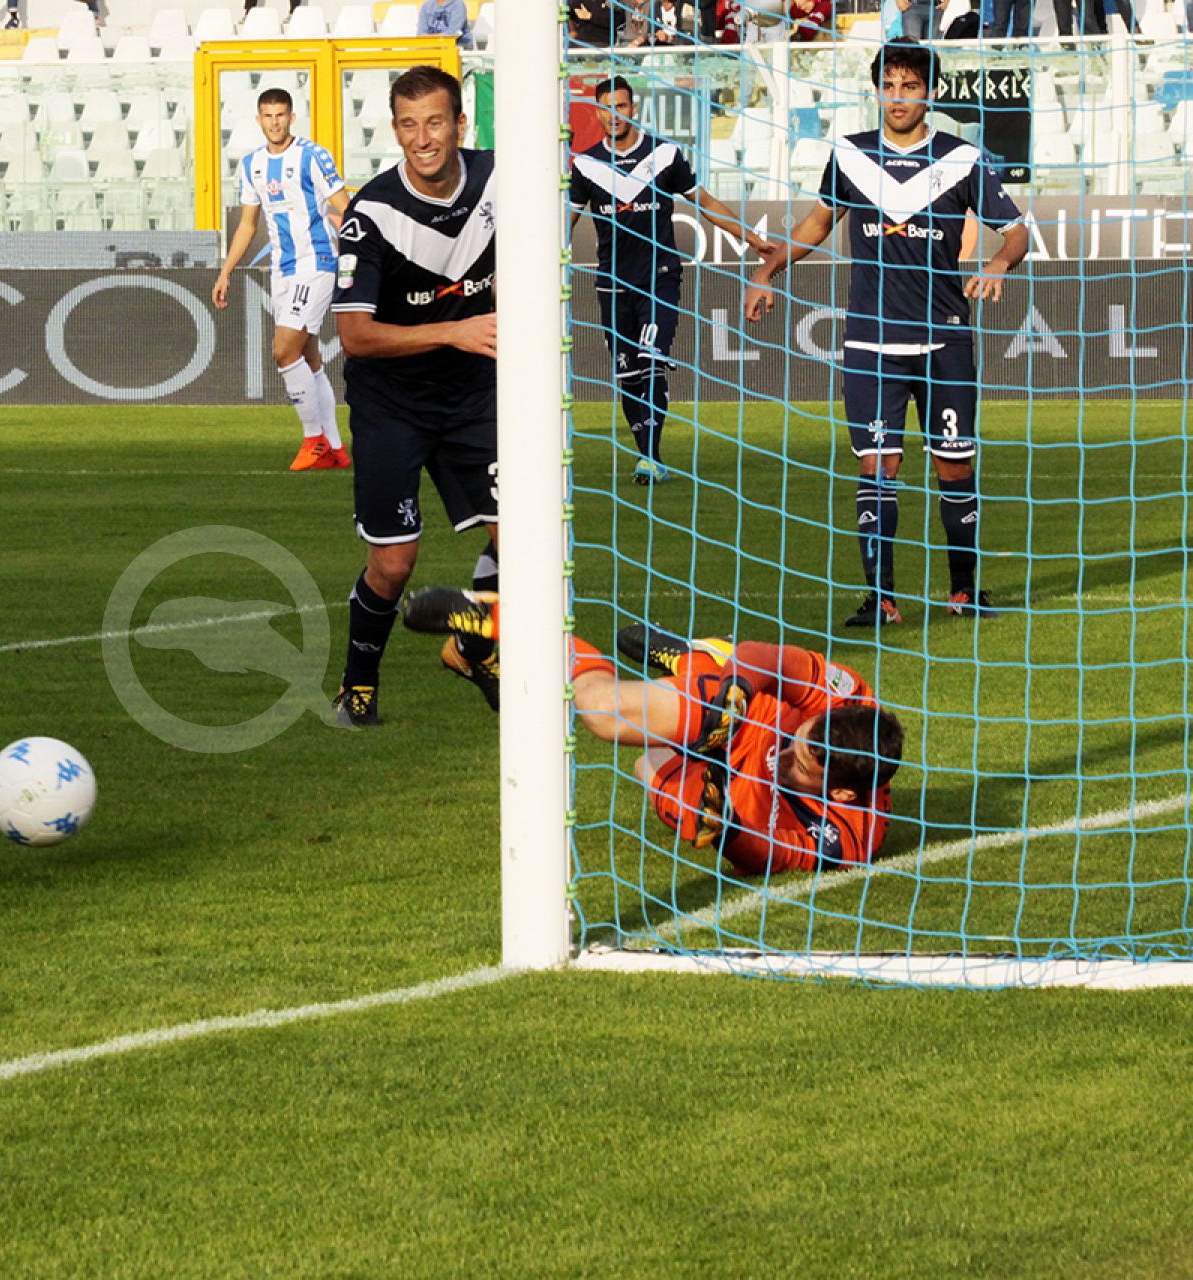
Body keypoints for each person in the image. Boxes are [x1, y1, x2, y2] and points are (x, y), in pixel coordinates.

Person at [744, 41, 1029, 629]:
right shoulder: (850, 154)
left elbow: (1017, 231)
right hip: (872, 343)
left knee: (955, 466)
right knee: (878, 466)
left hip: (945, 338)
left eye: (910, 86)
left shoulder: (962, 159)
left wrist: (1000, 264)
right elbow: (819, 223)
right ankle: (882, 600)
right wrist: (767, 271)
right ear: (877, 90)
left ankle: (963, 590)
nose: (898, 98)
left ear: (931, 92)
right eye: (889, 86)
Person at [401, 590, 903, 875]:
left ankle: (694, 659)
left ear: (840, 792)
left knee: (649, 765)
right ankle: (518, 620)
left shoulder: (850, 838)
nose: (787, 754)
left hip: (726, 788)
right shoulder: (848, 698)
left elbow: (772, 855)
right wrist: (737, 689)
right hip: (735, 714)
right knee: (603, 712)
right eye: (798, 739)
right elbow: (769, 658)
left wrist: (727, 830)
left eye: (799, 764)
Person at [329, 66, 498, 722]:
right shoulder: (371, 215)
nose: (422, 138)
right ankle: (358, 685)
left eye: (434, 122)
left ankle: (472, 648)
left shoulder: (503, 179)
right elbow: (355, 336)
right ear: (395, 130)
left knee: (527, 540)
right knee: (395, 563)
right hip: (392, 402)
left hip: (475, 393)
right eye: (408, 124)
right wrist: (455, 331)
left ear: (460, 123)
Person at [569, 77, 774, 485]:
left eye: (621, 106)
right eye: (607, 108)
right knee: (628, 375)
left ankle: (649, 457)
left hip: (659, 278)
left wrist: (750, 237)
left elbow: (705, 202)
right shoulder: (585, 165)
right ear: (598, 113)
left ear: (634, 109)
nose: (614, 115)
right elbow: (565, 221)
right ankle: (648, 453)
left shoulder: (663, 155)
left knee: (651, 360)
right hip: (612, 284)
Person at [212, 89, 351, 473]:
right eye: (268, 116)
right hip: (283, 271)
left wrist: (362, 257)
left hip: (317, 263)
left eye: (281, 115)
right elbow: (247, 225)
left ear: (291, 118)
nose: (275, 122)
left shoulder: (312, 156)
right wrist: (226, 271)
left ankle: (313, 439)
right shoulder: (252, 164)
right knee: (308, 357)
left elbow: (346, 208)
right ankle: (335, 448)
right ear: (259, 120)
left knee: (283, 350)